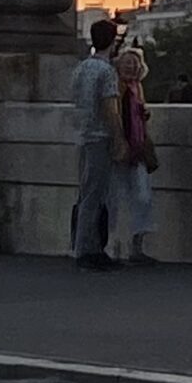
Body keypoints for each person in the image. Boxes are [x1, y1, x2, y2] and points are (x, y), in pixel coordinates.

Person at [71, 17, 122, 271]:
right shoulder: (106, 71)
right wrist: (119, 137)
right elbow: (110, 108)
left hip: (82, 134)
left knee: (86, 193)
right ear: (112, 42)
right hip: (100, 137)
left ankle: (84, 246)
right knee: (96, 194)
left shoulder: (81, 69)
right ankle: (87, 249)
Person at [109, 46, 159, 264]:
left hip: (137, 150)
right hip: (122, 149)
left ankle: (135, 244)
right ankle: (116, 245)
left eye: (134, 63)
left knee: (143, 197)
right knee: (117, 198)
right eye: (127, 63)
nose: (131, 66)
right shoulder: (117, 88)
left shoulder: (136, 88)